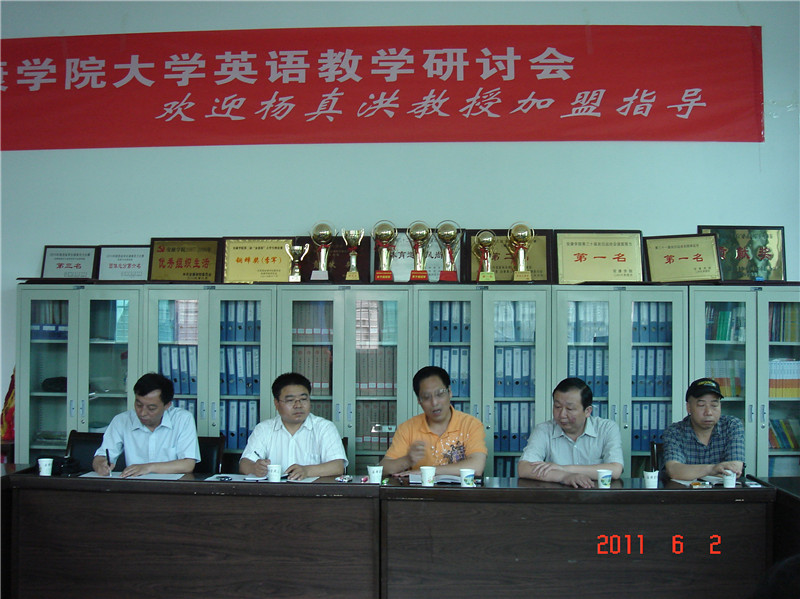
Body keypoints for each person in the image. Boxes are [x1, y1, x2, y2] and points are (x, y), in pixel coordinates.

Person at [380, 366, 487, 477]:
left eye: (440, 394)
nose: (434, 402)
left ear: (450, 392)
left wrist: (427, 471)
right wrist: (408, 460)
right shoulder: (407, 428)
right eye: (426, 397)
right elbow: (383, 468)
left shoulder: (470, 425)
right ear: (419, 401)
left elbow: (477, 466)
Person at [518, 377, 623, 488]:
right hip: (557, 495)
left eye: (570, 408)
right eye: (557, 407)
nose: (562, 414)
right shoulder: (544, 430)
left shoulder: (606, 429)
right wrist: (564, 476)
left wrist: (564, 468)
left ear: (587, 411)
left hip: (595, 495)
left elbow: (615, 469)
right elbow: (524, 468)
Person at [239, 372, 346, 480]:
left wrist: (307, 471)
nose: (298, 405)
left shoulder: (324, 428)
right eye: (290, 400)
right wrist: (255, 468)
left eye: (303, 399)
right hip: (273, 490)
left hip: (312, 490)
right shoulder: (264, 429)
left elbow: (338, 467)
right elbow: (244, 464)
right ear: (276, 403)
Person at [93, 372, 200, 477]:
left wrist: (148, 467)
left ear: (167, 405)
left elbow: (188, 465)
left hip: (171, 486)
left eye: (151, 408)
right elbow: (101, 456)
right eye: (139, 405)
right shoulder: (122, 421)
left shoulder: (182, 419)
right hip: (134, 485)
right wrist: (100, 464)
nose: (142, 413)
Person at [662, 377, 744, 481]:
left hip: (722, 491)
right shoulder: (674, 432)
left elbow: (735, 470)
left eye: (714, 405)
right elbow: (674, 470)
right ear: (688, 407)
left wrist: (690, 473)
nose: (708, 412)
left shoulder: (731, 426)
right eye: (701, 405)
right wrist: (712, 469)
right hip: (685, 491)